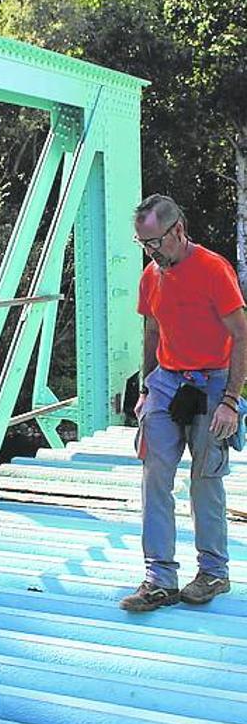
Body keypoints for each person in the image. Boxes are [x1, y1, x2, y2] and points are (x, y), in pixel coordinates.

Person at [120, 194, 247, 612]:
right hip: (167, 381)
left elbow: (242, 336)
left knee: (204, 477)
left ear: (177, 230)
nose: (150, 252)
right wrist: (143, 390)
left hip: (212, 384)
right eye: (143, 244)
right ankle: (159, 577)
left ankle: (213, 572)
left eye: (154, 242)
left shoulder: (213, 270)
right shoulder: (150, 276)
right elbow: (152, 332)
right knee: (154, 472)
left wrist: (231, 400)